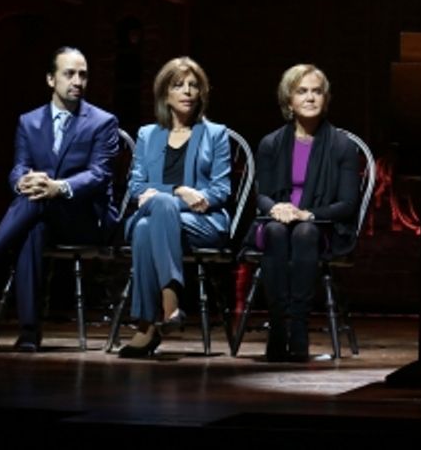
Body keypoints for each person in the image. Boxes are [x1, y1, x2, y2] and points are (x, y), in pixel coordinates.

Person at [0, 47, 120, 351]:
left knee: (36, 204)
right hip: (42, 215)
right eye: (69, 74)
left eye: (83, 75)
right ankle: (29, 334)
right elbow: (19, 166)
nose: (77, 81)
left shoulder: (102, 122)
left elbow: (99, 174)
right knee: (32, 226)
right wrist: (22, 181)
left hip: (84, 219)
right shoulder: (29, 121)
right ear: (51, 79)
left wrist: (58, 187)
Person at [118, 57, 231, 358]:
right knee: (157, 211)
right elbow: (136, 186)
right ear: (165, 94)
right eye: (179, 85)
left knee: (146, 226)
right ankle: (170, 308)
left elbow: (221, 190)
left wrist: (169, 196)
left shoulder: (215, 134)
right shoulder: (147, 135)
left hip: (202, 221)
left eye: (194, 85)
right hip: (159, 213)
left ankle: (146, 325)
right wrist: (178, 191)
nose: (188, 91)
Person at [252, 64, 359, 362]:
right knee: (275, 230)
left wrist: (308, 214)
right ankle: (277, 325)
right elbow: (261, 195)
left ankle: (298, 326)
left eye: (316, 91)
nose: (310, 98)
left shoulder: (342, 146)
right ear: (289, 100)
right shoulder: (271, 143)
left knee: (304, 233)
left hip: (321, 225)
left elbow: (347, 204)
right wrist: (275, 208)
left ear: (326, 98)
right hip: (277, 220)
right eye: (302, 91)